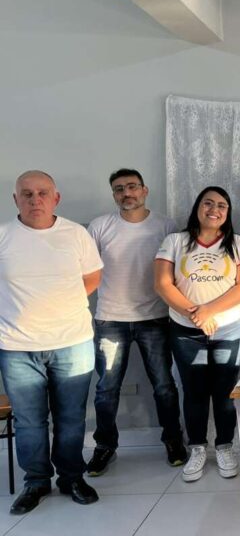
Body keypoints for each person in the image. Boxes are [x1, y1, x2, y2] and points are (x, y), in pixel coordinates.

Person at [0, 170, 103, 514]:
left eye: (43, 192)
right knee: (29, 421)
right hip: (17, 346)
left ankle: (71, 477)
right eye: (27, 194)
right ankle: (36, 481)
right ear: (15, 199)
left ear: (56, 198)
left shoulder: (75, 234)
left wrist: (60, 305)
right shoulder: (3, 236)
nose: (35, 199)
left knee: (71, 418)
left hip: (72, 342)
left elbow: (93, 276)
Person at [86, 168, 186, 477]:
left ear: (144, 190)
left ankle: (173, 440)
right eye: (119, 189)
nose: (126, 193)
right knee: (106, 388)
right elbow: (86, 270)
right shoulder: (99, 226)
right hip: (110, 320)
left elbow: (177, 271)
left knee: (164, 386)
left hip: (155, 319)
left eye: (132, 187)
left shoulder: (166, 226)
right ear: (113, 194)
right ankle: (105, 446)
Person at [154, 186, 240, 483]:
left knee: (225, 392)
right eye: (208, 203)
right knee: (194, 391)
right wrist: (194, 315)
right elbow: (163, 284)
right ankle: (197, 448)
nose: (214, 209)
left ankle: (224, 446)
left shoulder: (237, 243)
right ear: (197, 207)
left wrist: (208, 311)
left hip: (229, 328)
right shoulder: (175, 241)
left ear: (228, 213)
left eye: (222, 205)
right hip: (186, 331)